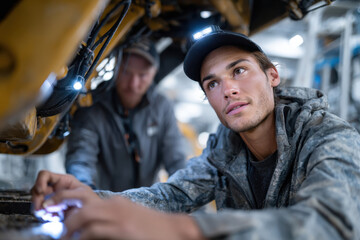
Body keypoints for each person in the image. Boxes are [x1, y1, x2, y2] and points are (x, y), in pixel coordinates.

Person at [32, 26, 360, 240]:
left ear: (272, 75)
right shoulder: (224, 153)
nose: (227, 89)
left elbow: (332, 225)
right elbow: (170, 195)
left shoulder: (329, 139)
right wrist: (93, 198)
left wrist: (184, 229)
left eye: (240, 70)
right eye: (212, 83)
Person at [65, 39, 188, 191]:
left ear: (154, 73)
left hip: (148, 203)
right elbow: (81, 160)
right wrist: (83, 191)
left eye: (142, 75)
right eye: (126, 72)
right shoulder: (92, 109)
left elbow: (176, 160)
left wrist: (186, 196)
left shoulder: (162, 107)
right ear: (115, 69)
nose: (133, 84)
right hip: (105, 203)